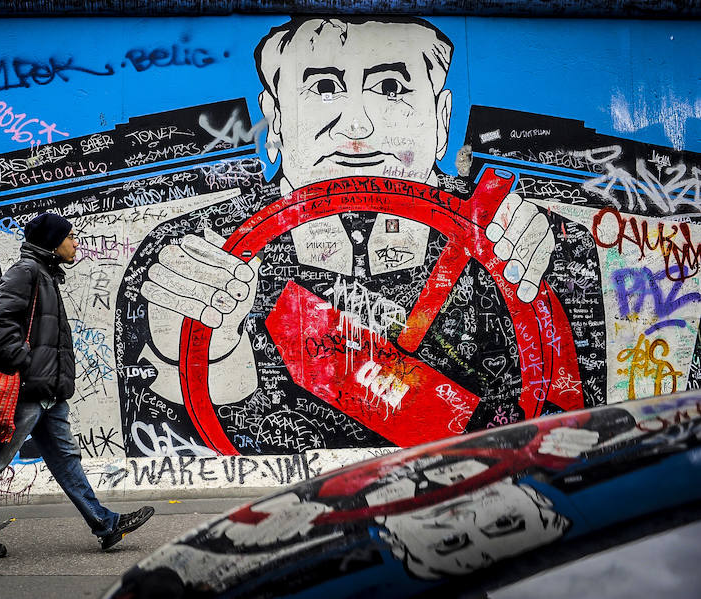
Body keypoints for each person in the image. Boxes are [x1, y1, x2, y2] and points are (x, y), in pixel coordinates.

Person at [119, 16, 560, 453]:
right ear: (274, 116)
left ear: (441, 117)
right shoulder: (191, 256)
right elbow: (163, 468)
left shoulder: (521, 240)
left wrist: (546, 280)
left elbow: (566, 437)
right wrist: (192, 357)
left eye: (390, 88)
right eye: (324, 88)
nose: (356, 127)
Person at [0, 212, 153, 559]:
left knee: (66, 460)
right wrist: (24, 361)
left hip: (48, 394)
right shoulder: (27, 273)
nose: (75, 243)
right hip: (28, 393)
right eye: (70, 237)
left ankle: (105, 523)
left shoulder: (45, 275)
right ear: (53, 243)